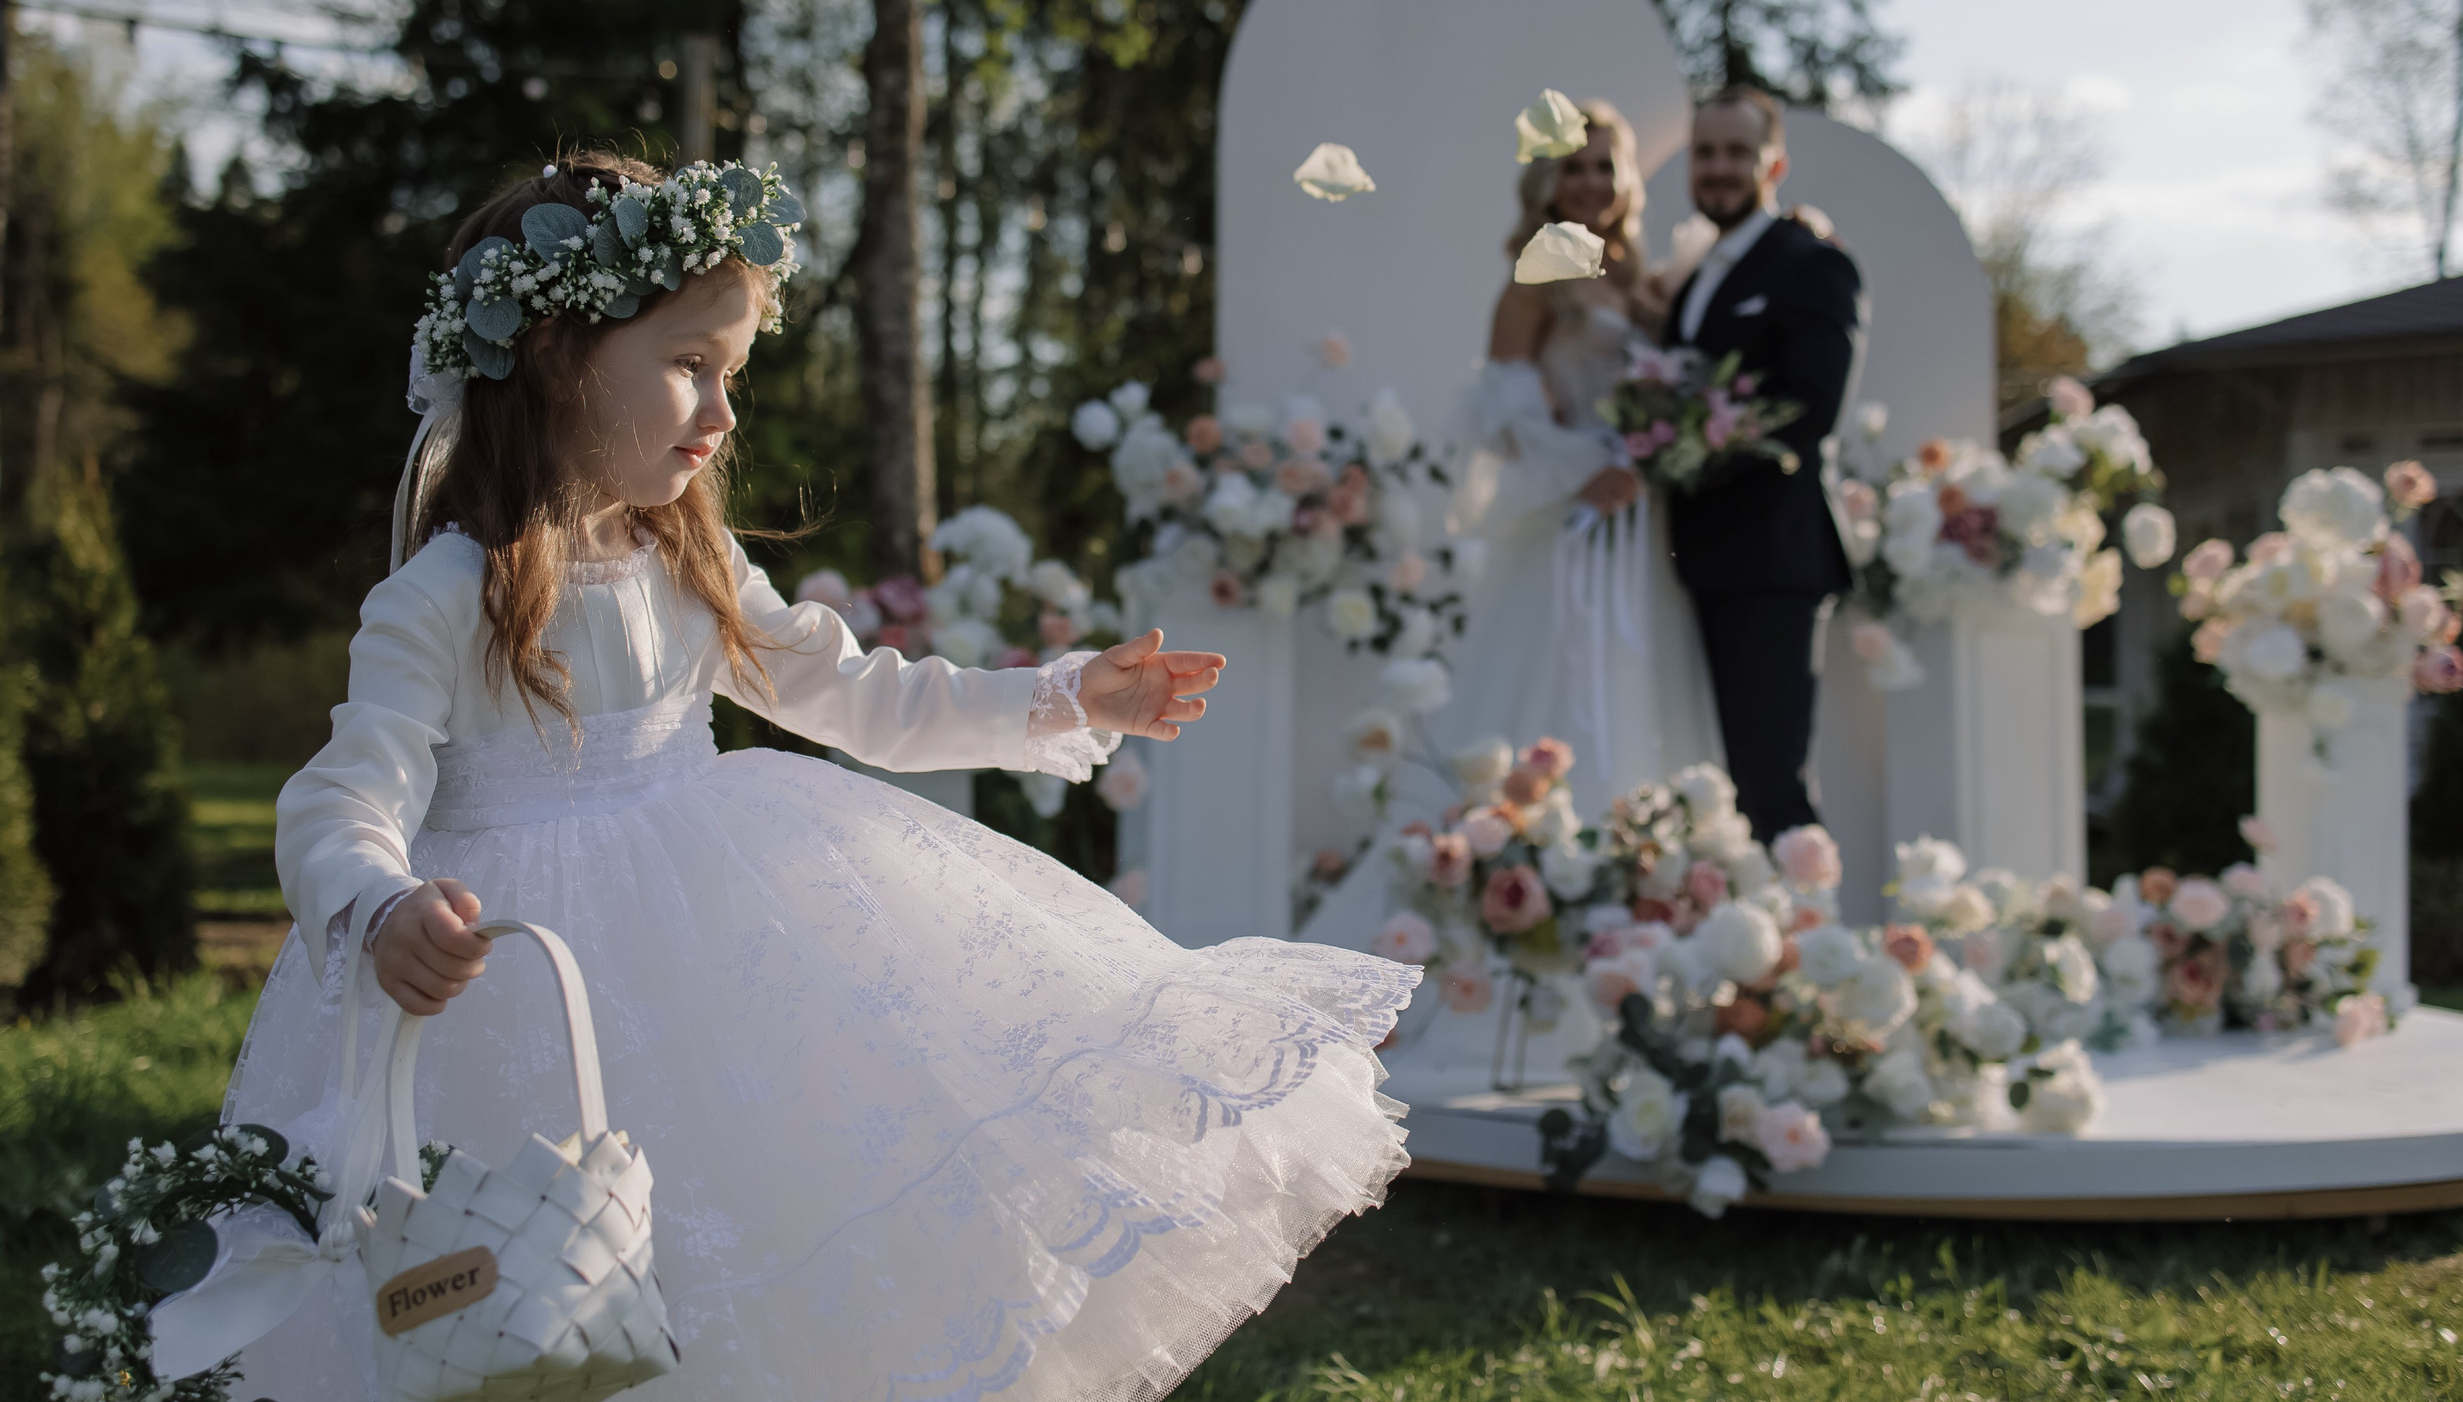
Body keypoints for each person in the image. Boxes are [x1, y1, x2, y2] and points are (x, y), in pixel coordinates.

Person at [218, 152, 1419, 1401]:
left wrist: (1060, 697)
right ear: (561, 357)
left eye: (731, 374)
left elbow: (858, 695)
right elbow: (341, 797)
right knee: (533, 1283)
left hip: (714, 950)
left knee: (746, 1232)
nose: (721, 413)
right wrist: (379, 903)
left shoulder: (690, 564)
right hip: (518, 980)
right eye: (691, 364)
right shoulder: (443, 597)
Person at [1441, 98, 1722, 816]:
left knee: (1639, 678)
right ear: (1548, 182)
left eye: (1605, 166)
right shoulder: (1534, 277)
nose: (1592, 182)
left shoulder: (1635, 280)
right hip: (1576, 517)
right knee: (1562, 678)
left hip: (1642, 521)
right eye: (1574, 168)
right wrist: (1585, 471)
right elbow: (1503, 411)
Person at [1663, 87, 1868, 839]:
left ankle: (1808, 915)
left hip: (1772, 561)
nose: (1718, 167)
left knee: (1770, 784)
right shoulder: (1698, 274)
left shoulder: (1811, 263)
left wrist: (1694, 444)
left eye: (1737, 152)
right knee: (1716, 790)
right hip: (1696, 561)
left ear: (1773, 164)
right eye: (1706, 152)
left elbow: (1813, 406)